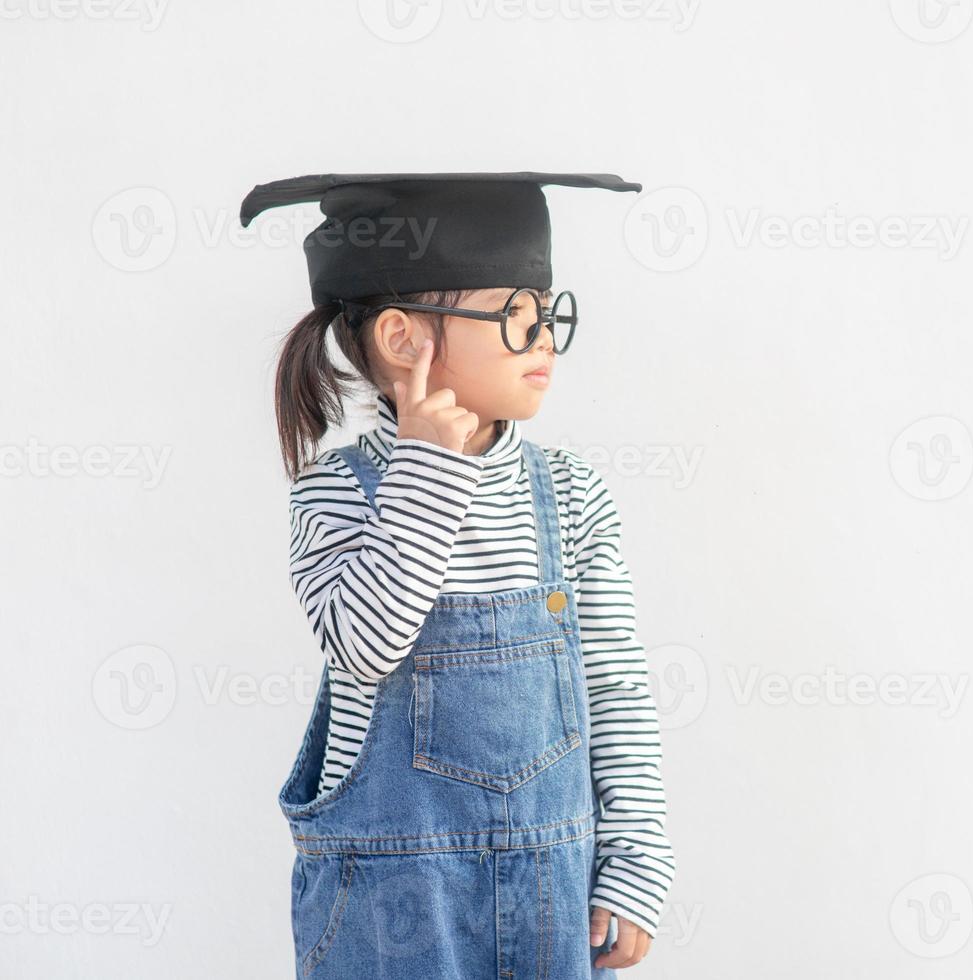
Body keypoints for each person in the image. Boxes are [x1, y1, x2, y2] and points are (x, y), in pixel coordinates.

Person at [241, 172, 675, 979]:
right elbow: (366, 646)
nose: (543, 338)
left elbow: (616, 686)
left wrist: (637, 856)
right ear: (406, 340)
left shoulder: (572, 496)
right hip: (392, 912)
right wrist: (428, 470)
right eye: (515, 317)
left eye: (549, 314)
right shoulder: (337, 494)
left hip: (554, 903)